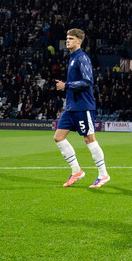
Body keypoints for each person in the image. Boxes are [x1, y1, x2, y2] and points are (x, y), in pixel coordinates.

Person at [54, 28, 110, 188]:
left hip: (83, 107)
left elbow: (87, 81)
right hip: (71, 107)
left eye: (71, 38)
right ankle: (76, 171)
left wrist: (66, 85)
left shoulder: (82, 58)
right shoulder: (72, 58)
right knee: (58, 137)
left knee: (89, 139)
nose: (68, 41)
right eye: (67, 38)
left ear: (79, 41)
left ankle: (103, 174)